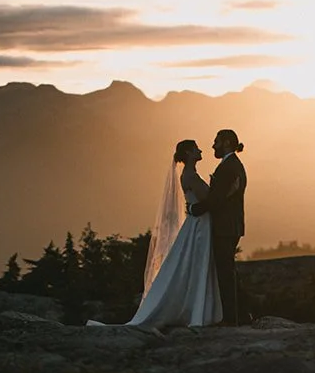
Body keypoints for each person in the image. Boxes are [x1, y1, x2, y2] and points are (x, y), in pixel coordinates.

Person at [89, 139, 222, 328]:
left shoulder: (188, 174)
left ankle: (197, 307)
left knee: (193, 263)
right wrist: (216, 185)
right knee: (197, 262)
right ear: (188, 153)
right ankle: (198, 310)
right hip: (200, 225)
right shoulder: (191, 176)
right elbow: (208, 197)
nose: (200, 150)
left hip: (198, 221)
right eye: (195, 149)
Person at [188, 129, 246, 325]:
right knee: (227, 270)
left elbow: (217, 199)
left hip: (226, 227)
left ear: (227, 143)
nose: (213, 146)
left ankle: (231, 319)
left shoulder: (229, 167)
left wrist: (195, 209)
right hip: (230, 226)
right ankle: (241, 315)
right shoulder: (231, 165)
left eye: (216, 142)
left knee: (225, 272)